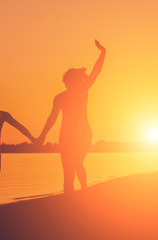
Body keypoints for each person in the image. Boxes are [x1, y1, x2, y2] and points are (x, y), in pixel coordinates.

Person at [37, 40, 106, 193]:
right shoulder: (60, 97)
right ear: (68, 81)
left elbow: (96, 71)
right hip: (66, 135)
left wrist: (103, 53)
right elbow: (52, 119)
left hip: (82, 133)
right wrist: (42, 136)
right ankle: (71, 196)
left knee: (76, 163)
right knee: (68, 169)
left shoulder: (82, 89)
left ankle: (84, 190)